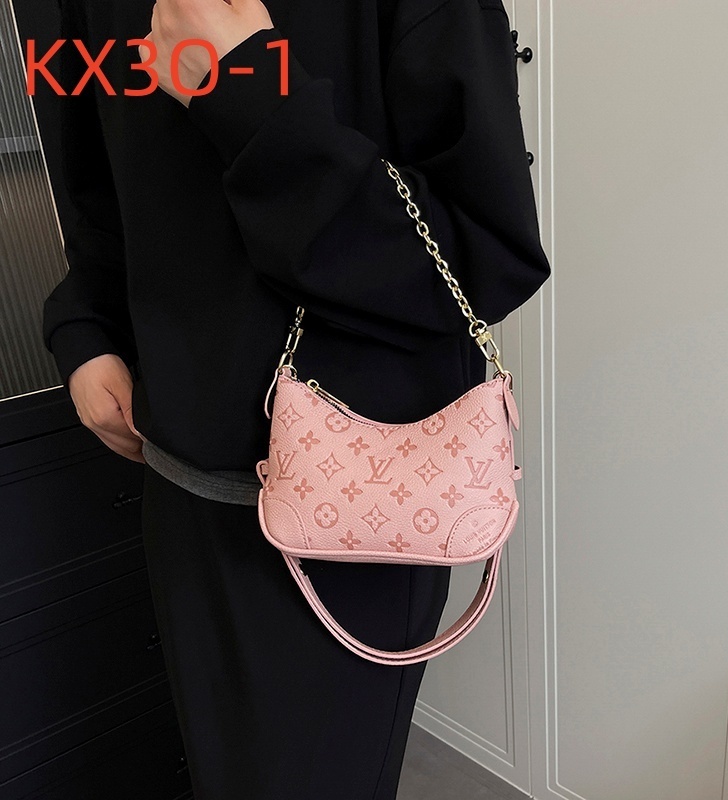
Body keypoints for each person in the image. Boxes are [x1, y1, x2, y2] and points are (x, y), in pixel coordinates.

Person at [42, 0, 551, 797]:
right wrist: (87, 330)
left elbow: (482, 258)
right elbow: (97, 188)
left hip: (359, 513)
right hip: (178, 483)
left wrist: (242, 90)